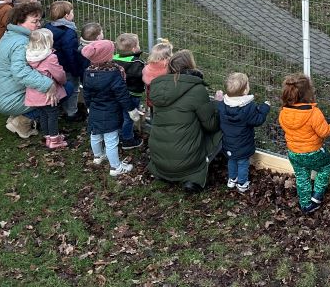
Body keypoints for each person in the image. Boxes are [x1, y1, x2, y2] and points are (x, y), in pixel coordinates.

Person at [148, 50, 222, 192]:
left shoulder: (157, 88)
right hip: (186, 163)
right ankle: (193, 178)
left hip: (159, 160)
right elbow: (211, 125)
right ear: (191, 66)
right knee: (222, 127)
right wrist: (218, 105)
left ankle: (163, 173)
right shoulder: (197, 89)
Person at [0, 1, 56, 139]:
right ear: (19, 22)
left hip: (0, 95)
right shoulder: (21, 43)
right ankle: (22, 121)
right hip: (9, 99)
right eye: (34, 21)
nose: (38, 25)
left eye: (39, 21)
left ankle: (19, 115)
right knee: (63, 89)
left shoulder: (9, 35)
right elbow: (21, 73)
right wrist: (48, 84)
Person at [278, 73, 330, 213]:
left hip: (294, 153)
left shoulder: (283, 112)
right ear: (308, 93)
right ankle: (316, 198)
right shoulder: (314, 113)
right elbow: (324, 132)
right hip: (313, 152)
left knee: (302, 176)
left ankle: (305, 204)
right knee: (326, 167)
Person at [81, 38, 136, 177]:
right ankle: (115, 167)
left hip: (94, 110)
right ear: (107, 56)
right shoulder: (114, 73)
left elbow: (86, 92)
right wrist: (131, 109)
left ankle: (98, 157)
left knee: (95, 135)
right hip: (110, 112)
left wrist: (88, 106)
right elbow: (122, 94)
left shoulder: (88, 72)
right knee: (111, 140)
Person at [217, 72, 271, 194]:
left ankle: (232, 179)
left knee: (231, 159)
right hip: (243, 144)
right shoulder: (248, 108)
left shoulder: (222, 105)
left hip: (228, 142)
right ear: (245, 90)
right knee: (242, 162)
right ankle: (242, 183)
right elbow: (258, 120)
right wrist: (264, 108)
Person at [24, 28, 68, 150]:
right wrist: (63, 81)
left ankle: (47, 137)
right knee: (52, 115)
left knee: (43, 115)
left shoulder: (29, 57)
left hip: (34, 94)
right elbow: (59, 74)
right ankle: (54, 140)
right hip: (48, 95)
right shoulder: (50, 58)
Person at [45, 0, 85, 123]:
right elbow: (70, 54)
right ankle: (72, 112)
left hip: (53, 67)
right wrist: (75, 70)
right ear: (67, 16)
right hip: (67, 67)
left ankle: (61, 106)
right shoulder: (69, 33)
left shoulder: (47, 28)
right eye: (72, 12)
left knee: (59, 86)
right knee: (73, 88)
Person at [113, 33, 146, 150]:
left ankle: (117, 134)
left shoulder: (113, 59)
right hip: (132, 95)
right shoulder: (137, 63)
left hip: (116, 94)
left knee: (118, 114)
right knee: (129, 117)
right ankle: (127, 139)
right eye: (138, 44)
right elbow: (143, 78)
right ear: (134, 49)